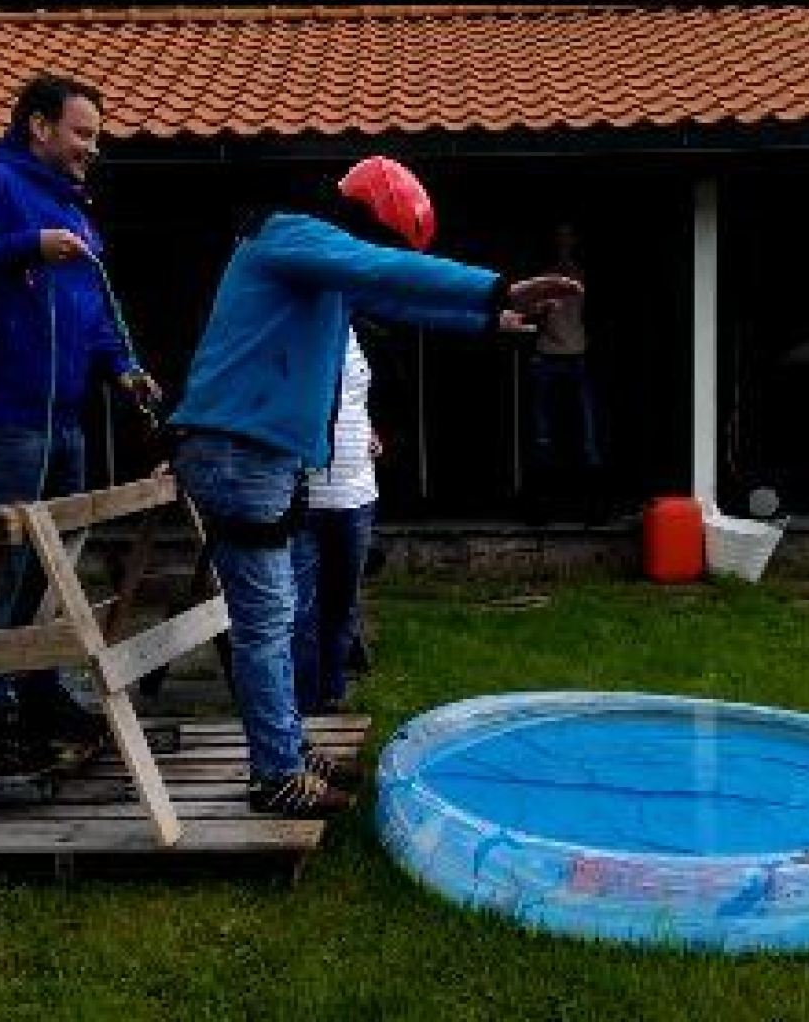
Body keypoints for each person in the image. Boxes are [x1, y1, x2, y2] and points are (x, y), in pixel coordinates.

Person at [168, 155, 580, 818]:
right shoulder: (291, 235)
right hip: (238, 455)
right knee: (269, 621)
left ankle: (285, 748)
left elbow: (390, 294)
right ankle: (275, 773)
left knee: (273, 616)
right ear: (362, 218)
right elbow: (387, 270)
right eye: (378, 238)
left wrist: (481, 319)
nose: (373, 252)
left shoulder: (318, 266)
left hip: (255, 456)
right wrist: (499, 287)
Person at [0, 73, 161, 775]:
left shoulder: (79, 216)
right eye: (83, 133)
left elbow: (92, 315)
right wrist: (27, 245)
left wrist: (123, 367)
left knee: (54, 572)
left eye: (96, 136)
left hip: (64, 422)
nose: (94, 147)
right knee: (0, 570)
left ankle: (39, 694)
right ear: (39, 126)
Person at [291, 326, 380, 716]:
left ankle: (331, 694)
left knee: (342, 605)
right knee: (299, 609)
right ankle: (303, 708)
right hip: (302, 494)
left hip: (357, 492)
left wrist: (367, 432)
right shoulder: (290, 332)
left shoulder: (354, 336)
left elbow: (353, 401)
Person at [524, 222, 602, 520]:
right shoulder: (542, 277)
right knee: (543, 436)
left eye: (568, 237)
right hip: (547, 357)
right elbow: (526, 313)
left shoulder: (583, 273)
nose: (563, 242)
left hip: (577, 356)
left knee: (586, 435)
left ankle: (591, 509)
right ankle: (542, 509)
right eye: (559, 237)